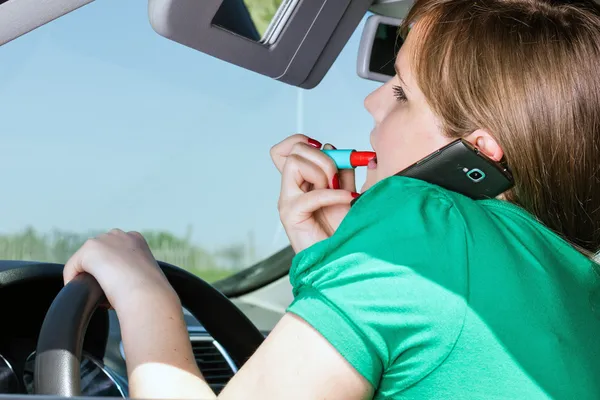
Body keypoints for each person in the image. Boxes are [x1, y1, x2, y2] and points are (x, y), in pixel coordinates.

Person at [63, 0, 600, 398]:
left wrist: (142, 293)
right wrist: (334, 254)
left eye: (401, 93)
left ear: (474, 153)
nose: (370, 100)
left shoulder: (424, 223)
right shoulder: (579, 282)